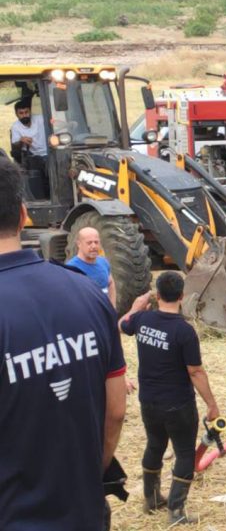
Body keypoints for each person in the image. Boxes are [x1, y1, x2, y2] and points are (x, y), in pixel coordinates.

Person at [0, 158, 126, 530]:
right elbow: (115, 410)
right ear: (23, 215)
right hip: (86, 512)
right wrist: (89, 474)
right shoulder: (87, 291)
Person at [119, 271, 220, 525]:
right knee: (185, 453)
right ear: (182, 296)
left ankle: (151, 499)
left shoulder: (141, 320)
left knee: (155, 445)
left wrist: (135, 307)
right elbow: (195, 371)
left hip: (149, 401)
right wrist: (211, 404)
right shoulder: (184, 332)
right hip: (178, 404)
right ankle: (176, 511)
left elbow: (121, 325)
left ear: (158, 295)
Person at [66, 227, 117, 308]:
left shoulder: (103, 262)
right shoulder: (71, 268)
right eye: (89, 243)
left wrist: (113, 308)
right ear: (79, 244)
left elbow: (111, 283)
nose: (94, 246)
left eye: (96, 242)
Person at [10, 99, 48, 195]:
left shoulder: (41, 119)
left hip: (49, 153)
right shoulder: (15, 127)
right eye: (21, 113)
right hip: (33, 156)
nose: (24, 115)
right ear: (16, 114)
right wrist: (21, 141)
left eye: (26, 112)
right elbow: (15, 146)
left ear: (30, 111)